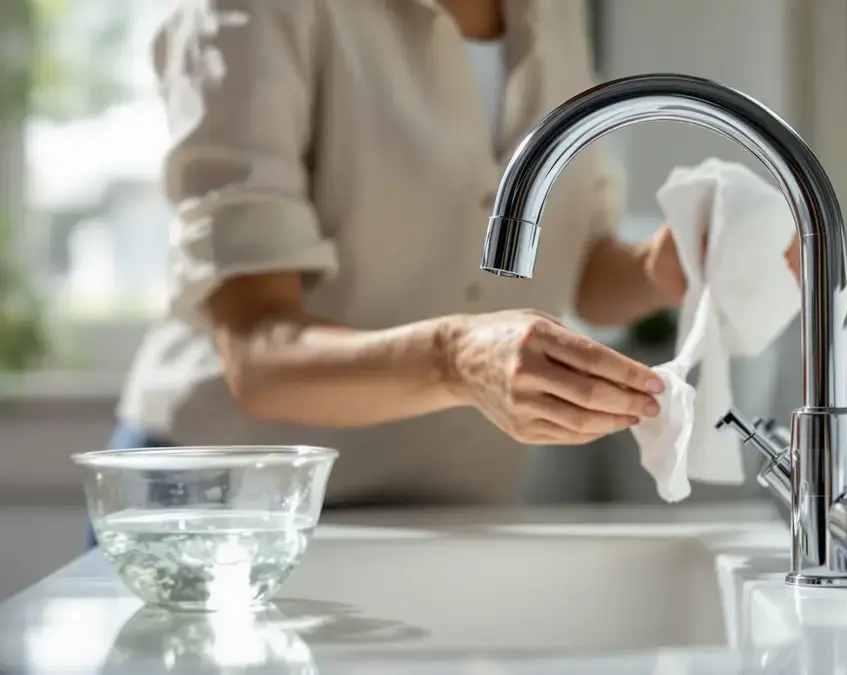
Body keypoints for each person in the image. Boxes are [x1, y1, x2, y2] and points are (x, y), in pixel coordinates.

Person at [94, 0, 799, 545]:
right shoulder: (257, 14)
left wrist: (669, 264)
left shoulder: (551, 12)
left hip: (445, 514)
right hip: (226, 513)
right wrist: (457, 358)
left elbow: (578, 267)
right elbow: (257, 352)